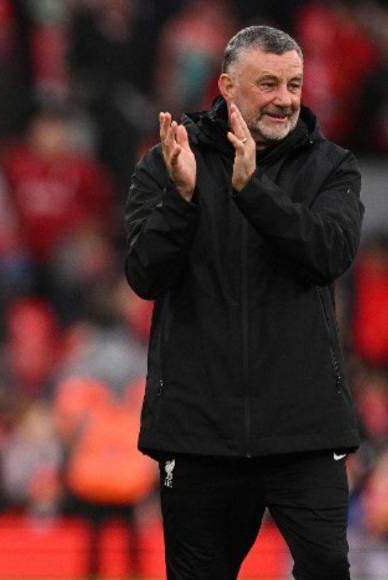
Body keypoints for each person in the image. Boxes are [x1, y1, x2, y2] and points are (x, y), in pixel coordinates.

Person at [124, 26, 363, 579]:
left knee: (327, 565)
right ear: (228, 86)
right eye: (269, 83)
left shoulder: (333, 167)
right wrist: (181, 200)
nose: (285, 98)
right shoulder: (167, 162)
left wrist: (253, 190)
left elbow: (327, 255)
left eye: (294, 84)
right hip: (200, 432)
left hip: (304, 429)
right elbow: (143, 274)